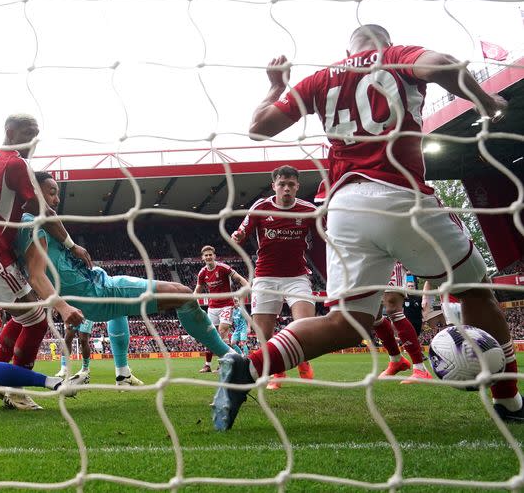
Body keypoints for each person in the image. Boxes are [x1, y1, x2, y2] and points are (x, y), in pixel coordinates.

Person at [213, 24, 520, 429]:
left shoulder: (322, 77)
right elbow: (442, 64)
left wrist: (275, 86)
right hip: (400, 197)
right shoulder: (397, 55)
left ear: (347, 48)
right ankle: (510, 402)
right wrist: (484, 100)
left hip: (343, 207)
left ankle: (248, 368)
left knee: (348, 323)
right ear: (385, 42)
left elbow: (259, 127)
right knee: (475, 291)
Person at [16, 172, 231, 386]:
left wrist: (72, 247)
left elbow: (50, 216)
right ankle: (231, 357)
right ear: (33, 191)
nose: (56, 199)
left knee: (121, 311)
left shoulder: (31, 222)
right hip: (99, 291)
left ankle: (122, 374)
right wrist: (62, 307)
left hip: (95, 286)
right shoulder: (31, 227)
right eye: (52, 193)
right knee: (183, 294)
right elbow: (36, 275)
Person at [0, 114, 89, 409]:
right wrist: (71, 245)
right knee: (37, 320)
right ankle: (15, 389)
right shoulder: (16, 163)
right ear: (10, 131)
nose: (33, 139)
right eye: (28, 132)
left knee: (24, 318)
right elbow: (40, 209)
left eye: (37, 133)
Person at [231, 164, 318, 388]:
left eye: (291, 184)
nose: (286, 189)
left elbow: (326, 235)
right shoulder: (261, 207)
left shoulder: (309, 210)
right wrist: (237, 236)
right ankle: (277, 372)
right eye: (282, 184)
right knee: (263, 334)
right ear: (274, 186)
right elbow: (241, 232)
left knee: (305, 324)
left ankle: (303, 361)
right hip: (265, 277)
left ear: (297, 186)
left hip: (297, 277)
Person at [374, 263, 432, 383]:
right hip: (368, 260)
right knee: (373, 314)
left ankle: (420, 369)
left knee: (393, 308)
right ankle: (396, 361)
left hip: (388, 255)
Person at [194, 246, 248, 373]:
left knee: (222, 331)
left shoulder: (223, 268)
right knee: (210, 335)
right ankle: (207, 365)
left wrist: (248, 287)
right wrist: (191, 301)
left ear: (214, 256)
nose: (208, 257)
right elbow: (198, 289)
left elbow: (239, 278)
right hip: (212, 307)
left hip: (226, 304)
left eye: (210, 255)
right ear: (203, 258)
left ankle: (226, 363)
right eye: (206, 255)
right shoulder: (202, 273)